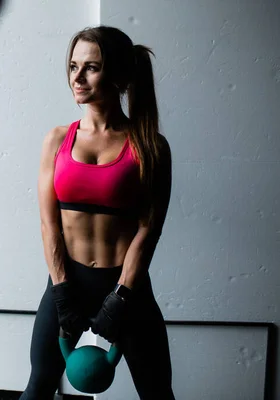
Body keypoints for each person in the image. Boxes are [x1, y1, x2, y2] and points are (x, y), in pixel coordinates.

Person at [19, 25, 175, 400]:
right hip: (65, 284)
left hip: (126, 288)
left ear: (118, 75)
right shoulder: (57, 139)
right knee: (38, 388)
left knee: (157, 392)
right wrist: (61, 292)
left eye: (91, 67)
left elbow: (148, 232)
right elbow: (48, 224)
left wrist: (120, 299)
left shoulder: (150, 146)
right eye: (73, 66)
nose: (77, 76)